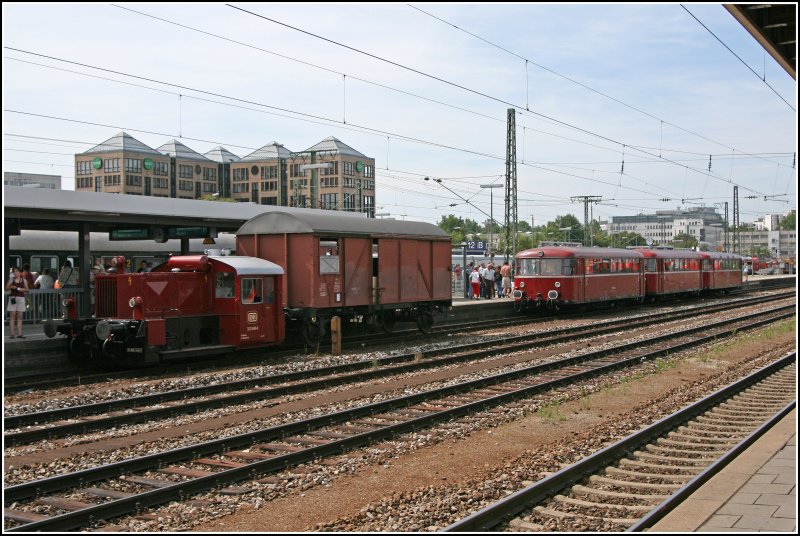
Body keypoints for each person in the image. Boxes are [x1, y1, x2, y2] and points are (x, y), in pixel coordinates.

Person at [6, 267, 29, 338]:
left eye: (16, 271)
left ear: (20, 272)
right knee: (12, 316)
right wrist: (11, 287)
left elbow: (27, 289)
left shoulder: (24, 280)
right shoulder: (11, 279)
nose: (15, 273)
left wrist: (21, 289)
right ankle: (12, 334)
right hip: (13, 298)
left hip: (21, 298)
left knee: (20, 316)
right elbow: (6, 288)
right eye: (14, 271)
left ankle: (20, 334)